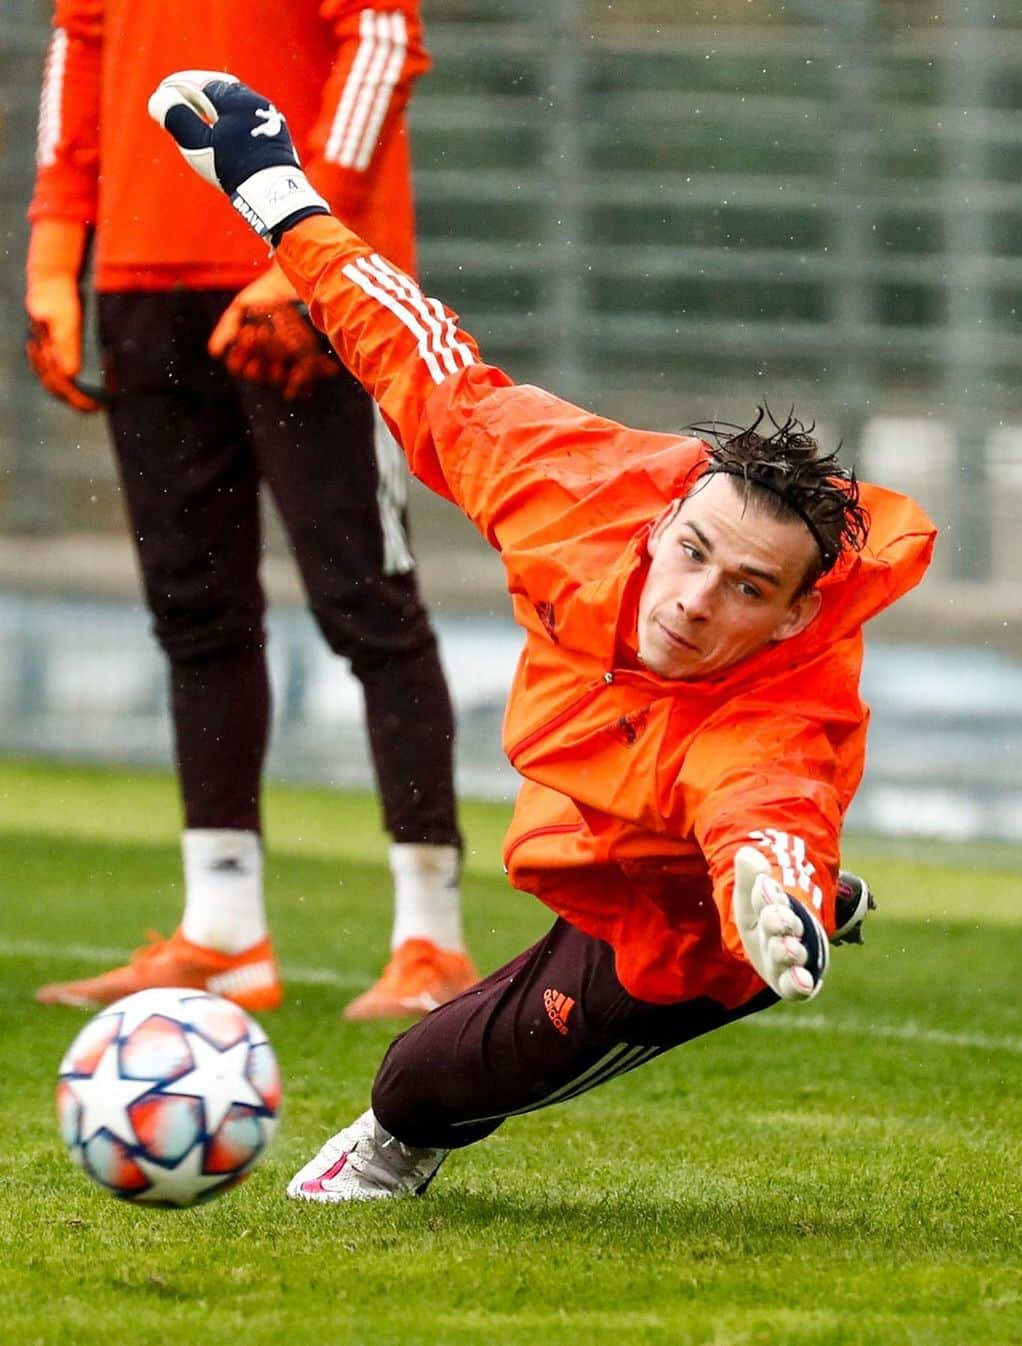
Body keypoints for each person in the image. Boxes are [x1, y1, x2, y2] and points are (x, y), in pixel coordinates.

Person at [149, 72, 935, 1201]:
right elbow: (419, 359)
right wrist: (276, 194)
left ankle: (781, 934)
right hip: (582, 815)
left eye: (750, 587)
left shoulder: (776, 713)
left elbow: (770, 799)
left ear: (796, 613)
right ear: (665, 517)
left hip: (682, 916)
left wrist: (777, 879)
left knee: (413, 1085)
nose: (697, 598)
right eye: (695, 550)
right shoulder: (575, 493)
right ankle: (805, 905)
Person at [24, 3, 479, 1020]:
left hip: (318, 283)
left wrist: (302, 250)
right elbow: (80, 45)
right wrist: (57, 254)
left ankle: (432, 939)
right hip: (143, 276)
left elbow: (382, 42)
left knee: (367, 604)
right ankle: (223, 932)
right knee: (194, 612)